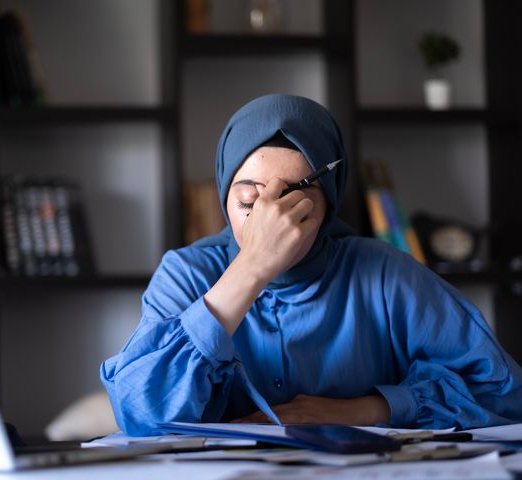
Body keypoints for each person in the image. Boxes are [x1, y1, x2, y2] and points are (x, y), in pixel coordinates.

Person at [100, 94, 522, 436]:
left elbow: (503, 392)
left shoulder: (384, 274)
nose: (271, 219)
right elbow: (140, 414)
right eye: (249, 201)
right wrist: (253, 267)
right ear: (224, 195)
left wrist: (363, 410)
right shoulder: (186, 274)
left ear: (330, 202)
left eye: (296, 204)